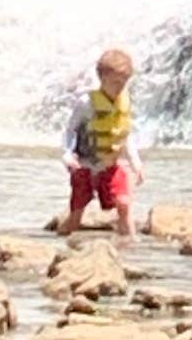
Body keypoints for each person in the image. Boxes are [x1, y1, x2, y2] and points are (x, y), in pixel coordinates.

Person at [60, 45, 140, 238]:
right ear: (102, 79)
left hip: (111, 165)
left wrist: (135, 161)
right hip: (85, 166)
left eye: (124, 83)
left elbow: (124, 134)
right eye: (115, 83)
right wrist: (67, 154)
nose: (119, 88)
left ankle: (133, 245)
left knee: (124, 204)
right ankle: (61, 237)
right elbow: (70, 129)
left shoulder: (124, 101)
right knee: (77, 215)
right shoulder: (86, 104)